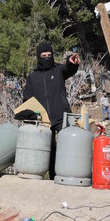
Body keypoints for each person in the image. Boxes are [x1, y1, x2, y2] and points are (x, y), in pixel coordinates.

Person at [23, 42, 80, 180]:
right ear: (38, 57)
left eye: (49, 55)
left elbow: (69, 69)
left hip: (62, 116)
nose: (47, 58)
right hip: (43, 120)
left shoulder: (58, 70)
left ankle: (68, 175)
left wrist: (72, 63)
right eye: (44, 56)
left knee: (65, 147)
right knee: (49, 151)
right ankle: (53, 178)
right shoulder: (32, 78)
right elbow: (27, 100)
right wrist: (31, 115)